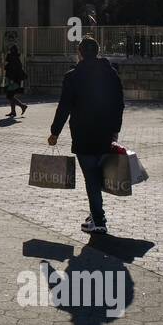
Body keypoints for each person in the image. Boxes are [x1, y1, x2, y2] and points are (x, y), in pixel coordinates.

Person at [48, 36, 125, 237]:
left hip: (83, 134)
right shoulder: (111, 74)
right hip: (105, 133)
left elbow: (64, 106)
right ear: (97, 52)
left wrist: (55, 132)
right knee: (98, 176)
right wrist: (115, 129)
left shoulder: (73, 76)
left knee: (91, 178)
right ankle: (95, 213)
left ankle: (99, 220)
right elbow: (119, 104)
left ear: (80, 53)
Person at [3, 44, 28, 118]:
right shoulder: (15, 59)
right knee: (11, 95)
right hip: (12, 80)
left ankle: (22, 106)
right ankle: (13, 111)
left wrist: (11, 80)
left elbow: (13, 72)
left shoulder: (13, 59)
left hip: (13, 81)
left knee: (9, 96)